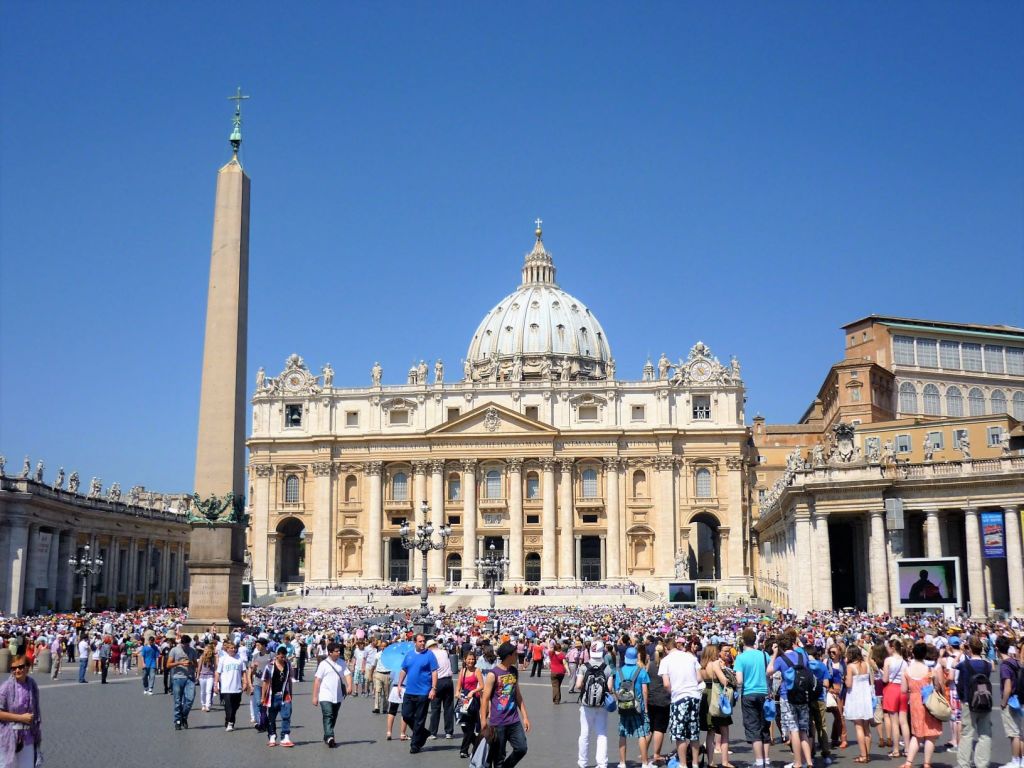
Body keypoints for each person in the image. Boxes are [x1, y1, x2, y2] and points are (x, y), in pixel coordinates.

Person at [480, 641, 530, 768]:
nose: (517, 656)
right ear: (509, 656)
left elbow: (518, 695)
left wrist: (525, 717)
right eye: (515, 654)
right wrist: (483, 721)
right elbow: (485, 699)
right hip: (498, 722)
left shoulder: (513, 671)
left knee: (521, 748)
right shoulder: (493, 674)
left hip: (514, 720)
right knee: (498, 757)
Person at [768, 633, 812, 768]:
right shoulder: (802, 656)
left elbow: (769, 671)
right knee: (804, 730)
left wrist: (774, 655)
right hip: (803, 695)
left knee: (794, 730)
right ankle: (808, 761)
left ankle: (798, 762)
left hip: (787, 696)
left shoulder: (781, 659)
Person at [660, 635, 702, 768]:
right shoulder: (690, 657)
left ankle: (683, 764)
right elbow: (699, 677)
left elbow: (666, 684)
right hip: (694, 696)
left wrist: (674, 690)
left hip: (679, 697)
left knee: (680, 734)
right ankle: (695, 763)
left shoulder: (666, 661)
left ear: (667, 648)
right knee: (694, 733)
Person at [901, 641, 945, 768]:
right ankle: (927, 763)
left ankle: (908, 762)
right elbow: (937, 686)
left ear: (913, 654)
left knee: (917, 734)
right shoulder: (930, 670)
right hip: (929, 701)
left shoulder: (907, 670)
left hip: (914, 701)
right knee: (930, 735)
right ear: (925, 654)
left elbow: (904, 690)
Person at [734, 628, 771, 768]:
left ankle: (759, 761)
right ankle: (766, 760)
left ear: (743, 641)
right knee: (765, 726)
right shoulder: (764, 655)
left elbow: (739, 681)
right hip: (764, 693)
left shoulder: (741, 657)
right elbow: (770, 673)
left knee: (753, 727)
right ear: (755, 640)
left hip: (749, 693)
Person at [397, 634, 439, 754]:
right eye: (420, 641)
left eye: (423, 641)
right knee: (406, 715)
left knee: (420, 719)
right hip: (409, 691)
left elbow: (434, 672)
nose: (422, 643)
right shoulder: (409, 655)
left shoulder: (429, 655)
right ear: (414, 642)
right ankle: (424, 733)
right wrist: (399, 684)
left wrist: (433, 688)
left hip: (423, 692)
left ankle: (415, 744)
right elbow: (404, 669)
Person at [957, 636, 994, 768]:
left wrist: (961, 698)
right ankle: (982, 763)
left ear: (970, 648)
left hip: (969, 701)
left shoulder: (964, 665)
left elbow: (960, 684)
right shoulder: (987, 665)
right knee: (985, 733)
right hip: (984, 700)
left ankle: (964, 764)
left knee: (967, 734)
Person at [578, 638, 615, 768]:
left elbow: (578, 685)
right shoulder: (607, 668)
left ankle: (583, 762)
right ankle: (602, 763)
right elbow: (609, 688)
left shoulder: (584, 666)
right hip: (601, 705)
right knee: (601, 733)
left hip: (586, 704)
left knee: (584, 734)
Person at [0, 655, 42, 768]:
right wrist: (21, 718)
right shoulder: (6, 687)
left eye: (20, 666)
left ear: (28, 667)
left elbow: (36, 712)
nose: (17, 670)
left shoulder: (32, 685)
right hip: (9, 737)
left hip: (28, 737)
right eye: (13, 668)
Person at [617, 644, 652, 768]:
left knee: (622, 733)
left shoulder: (619, 671)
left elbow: (616, 690)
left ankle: (622, 763)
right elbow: (645, 691)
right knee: (641, 734)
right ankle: (644, 763)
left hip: (624, 705)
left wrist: (619, 702)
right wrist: (646, 707)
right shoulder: (641, 671)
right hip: (637, 706)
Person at [312, 642, 351, 748]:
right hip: (325, 695)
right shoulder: (323, 664)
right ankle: (330, 737)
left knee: (333, 716)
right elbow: (317, 681)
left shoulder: (342, 662)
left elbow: (347, 674)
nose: (339, 653)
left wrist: (349, 686)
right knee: (328, 715)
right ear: (330, 652)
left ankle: (327, 735)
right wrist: (315, 697)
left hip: (338, 695)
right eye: (336, 651)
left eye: (339, 651)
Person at [844, 645, 875, 764]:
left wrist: (845, 678)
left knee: (859, 726)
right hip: (865, 695)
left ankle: (863, 755)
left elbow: (849, 684)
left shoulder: (850, 666)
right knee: (866, 727)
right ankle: (867, 753)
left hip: (856, 696)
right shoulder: (866, 664)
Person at [996, 635, 1023, 768]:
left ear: (997, 649)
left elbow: (1007, 686)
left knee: (1013, 733)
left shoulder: (1005, 666)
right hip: (1019, 699)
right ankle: (1021, 760)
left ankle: (1015, 761)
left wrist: (1003, 702)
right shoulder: (1016, 662)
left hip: (1011, 701)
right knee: (1019, 731)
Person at [261, 646, 295, 747]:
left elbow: (289, 680)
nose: (283, 659)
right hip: (272, 696)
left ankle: (285, 737)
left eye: (284, 657)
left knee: (286, 716)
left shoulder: (288, 665)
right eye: (281, 657)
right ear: (277, 655)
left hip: (285, 694)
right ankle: (272, 736)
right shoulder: (269, 666)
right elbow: (265, 682)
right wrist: (263, 697)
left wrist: (291, 694)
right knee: (272, 718)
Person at [883, 638, 911, 760]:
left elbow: (885, 679)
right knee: (903, 722)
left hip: (892, 689)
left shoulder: (888, 660)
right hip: (903, 690)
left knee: (894, 722)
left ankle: (895, 750)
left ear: (892, 648)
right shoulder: (905, 662)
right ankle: (907, 748)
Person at [214, 640, 250, 732]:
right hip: (226, 687)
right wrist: (215, 685)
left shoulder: (240, 659)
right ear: (227, 649)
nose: (233, 650)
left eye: (234, 648)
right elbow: (218, 673)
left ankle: (228, 719)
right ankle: (230, 722)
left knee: (236, 706)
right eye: (231, 648)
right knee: (228, 706)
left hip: (237, 687)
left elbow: (244, 672)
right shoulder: (223, 659)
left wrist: (245, 683)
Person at [647, 643, 672, 767]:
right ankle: (656, 753)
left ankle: (644, 751)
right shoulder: (667, 665)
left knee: (650, 728)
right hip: (663, 699)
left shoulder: (650, 665)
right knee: (659, 728)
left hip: (651, 698)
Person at [168, 634, 198, 730]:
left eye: (188, 645)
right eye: (185, 645)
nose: (186, 647)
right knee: (178, 701)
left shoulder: (192, 651)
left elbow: (196, 664)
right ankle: (177, 720)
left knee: (190, 699)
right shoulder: (174, 650)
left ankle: (184, 716)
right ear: (181, 643)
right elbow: (168, 664)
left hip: (190, 677)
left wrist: (191, 662)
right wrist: (180, 663)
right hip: (178, 677)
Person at [457, 650, 484, 758]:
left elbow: (482, 685)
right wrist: (457, 694)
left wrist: (473, 691)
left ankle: (463, 750)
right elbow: (458, 686)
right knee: (465, 727)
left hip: (473, 702)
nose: (471, 661)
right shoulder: (462, 671)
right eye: (469, 659)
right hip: (463, 701)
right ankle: (478, 746)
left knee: (469, 726)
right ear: (465, 660)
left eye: (473, 659)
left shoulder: (477, 671)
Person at [427, 638, 455, 739]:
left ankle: (433, 732)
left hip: (438, 681)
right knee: (448, 707)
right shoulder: (444, 652)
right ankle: (449, 732)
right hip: (448, 681)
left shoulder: (430, 654)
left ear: (429, 647)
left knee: (435, 708)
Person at [197, 642, 217, 712]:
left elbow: (215, 667)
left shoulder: (213, 657)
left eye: (207, 649)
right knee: (203, 691)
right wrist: (197, 676)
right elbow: (199, 667)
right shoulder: (202, 656)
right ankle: (203, 704)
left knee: (208, 691)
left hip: (210, 676)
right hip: (202, 676)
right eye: (205, 649)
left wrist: (216, 677)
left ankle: (207, 705)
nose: (205, 651)